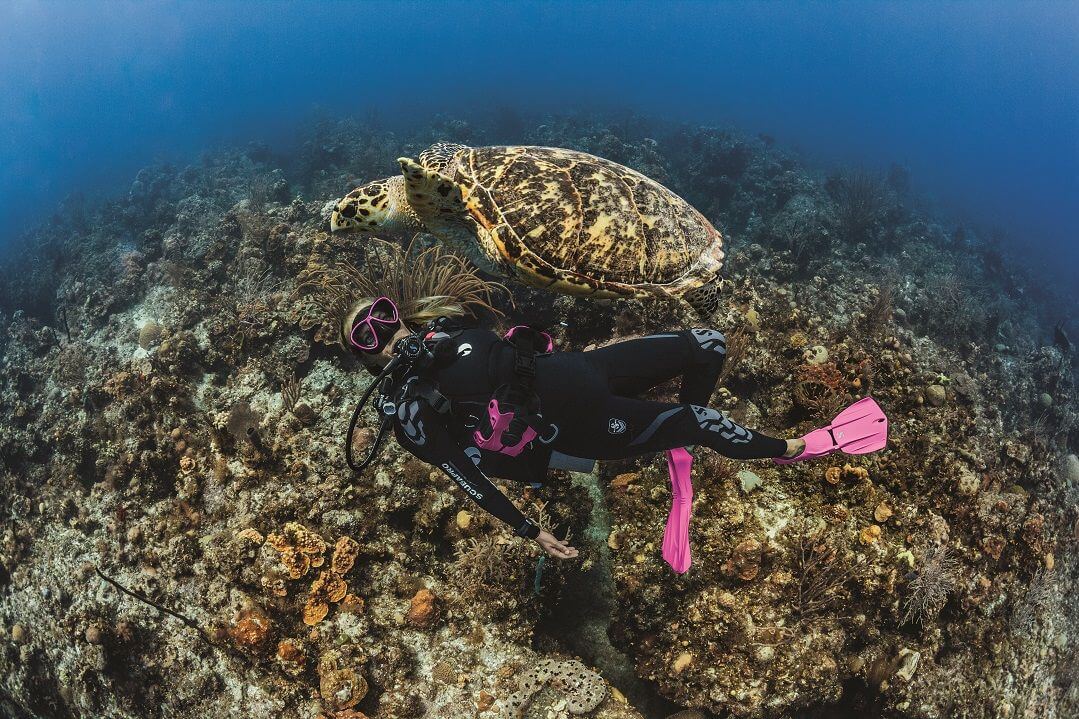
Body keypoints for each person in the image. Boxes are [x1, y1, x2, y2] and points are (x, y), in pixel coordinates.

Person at [336, 256, 888, 563]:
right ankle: (797, 448)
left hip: (588, 370)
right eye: (368, 339)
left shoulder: (443, 329)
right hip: (581, 426)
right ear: (366, 361)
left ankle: (678, 451)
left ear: (400, 314)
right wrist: (531, 531)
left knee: (709, 342)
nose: (385, 335)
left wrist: (529, 340)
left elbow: (511, 350)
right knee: (699, 421)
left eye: (384, 317)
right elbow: (465, 477)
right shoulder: (409, 410)